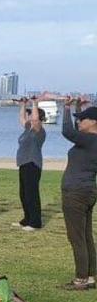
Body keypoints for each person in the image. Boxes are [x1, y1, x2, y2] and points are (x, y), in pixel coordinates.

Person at [60, 97, 97, 290]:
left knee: (76, 236)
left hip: (76, 192)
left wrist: (65, 107)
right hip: (87, 191)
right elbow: (74, 129)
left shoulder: (90, 139)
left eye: (83, 119)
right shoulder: (89, 140)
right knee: (85, 235)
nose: (79, 121)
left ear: (93, 122)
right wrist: (78, 107)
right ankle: (90, 277)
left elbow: (67, 131)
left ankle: (80, 278)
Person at [13, 97, 46, 230]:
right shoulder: (27, 128)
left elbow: (35, 120)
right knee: (24, 193)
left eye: (31, 113)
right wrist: (23, 104)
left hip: (33, 163)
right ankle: (27, 219)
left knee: (32, 193)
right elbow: (22, 117)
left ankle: (35, 222)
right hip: (23, 163)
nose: (29, 116)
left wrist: (34, 103)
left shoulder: (39, 131)